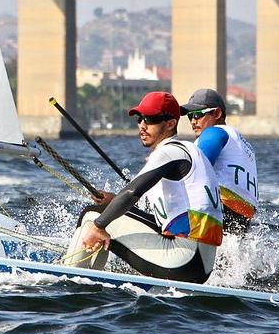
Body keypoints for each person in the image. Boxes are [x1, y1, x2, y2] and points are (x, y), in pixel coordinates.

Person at [64, 91, 223, 284]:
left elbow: (132, 192)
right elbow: (155, 214)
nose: (142, 125)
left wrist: (98, 226)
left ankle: (70, 281)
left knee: (92, 216)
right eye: (140, 119)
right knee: (105, 213)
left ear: (171, 124)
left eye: (151, 119)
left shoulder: (169, 152)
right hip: (200, 266)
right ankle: (89, 278)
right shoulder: (190, 150)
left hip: (184, 261)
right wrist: (114, 202)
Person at [181, 88, 258, 233]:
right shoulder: (243, 144)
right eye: (190, 116)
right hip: (243, 222)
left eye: (198, 114)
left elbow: (196, 167)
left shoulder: (214, 132)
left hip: (219, 211)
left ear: (217, 113)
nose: (193, 121)